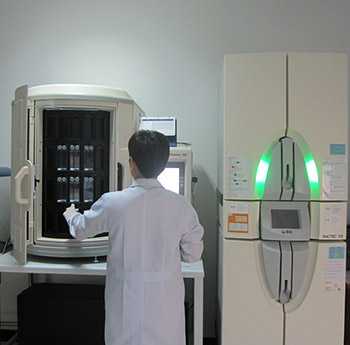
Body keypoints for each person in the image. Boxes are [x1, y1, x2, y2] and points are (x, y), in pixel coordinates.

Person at [63, 130, 204, 345]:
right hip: (164, 315)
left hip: (125, 312)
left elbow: (81, 230)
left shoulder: (113, 202)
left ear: (131, 163)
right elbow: (193, 254)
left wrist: (71, 214)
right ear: (163, 165)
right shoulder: (181, 207)